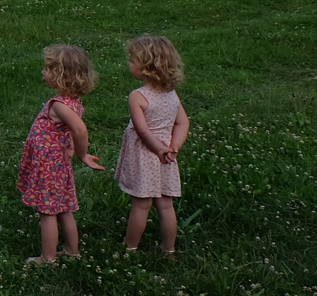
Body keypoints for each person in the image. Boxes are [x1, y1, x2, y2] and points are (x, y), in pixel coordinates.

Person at [17, 44, 106, 263]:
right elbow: (68, 131)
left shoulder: (59, 105)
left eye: (47, 69)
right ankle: (72, 251)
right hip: (58, 163)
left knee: (47, 213)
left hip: (48, 165)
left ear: (60, 76)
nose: (43, 72)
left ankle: (47, 259)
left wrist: (82, 154)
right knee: (65, 208)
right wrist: (71, 146)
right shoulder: (74, 102)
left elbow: (79, 129)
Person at [115, 34, 190, 255]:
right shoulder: (171, 94)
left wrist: (158, 149)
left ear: (147, 67)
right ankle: (169, 249)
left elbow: (142, 130)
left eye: (132, 60)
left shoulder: (138, 96)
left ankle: (130, 247)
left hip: (146, 155)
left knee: (141, 205)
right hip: (166, 156)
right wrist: (174, 146)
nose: (128, 63)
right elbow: (183, 122)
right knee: (166, 205)